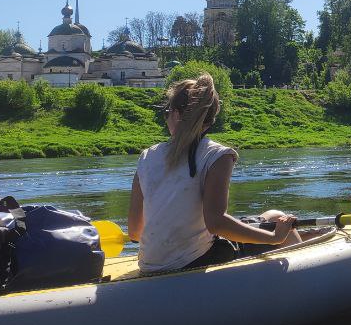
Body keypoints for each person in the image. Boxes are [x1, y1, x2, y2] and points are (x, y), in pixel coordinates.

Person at [127, 75, 299, 274]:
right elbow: (216, 223)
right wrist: (274, 238)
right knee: (281, 220)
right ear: (209, 122)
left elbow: (134, 231)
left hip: (149, 267)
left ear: (174, 114)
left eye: (166, 112)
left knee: (271, 217)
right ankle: (302, 282)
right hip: (194, 264)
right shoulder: (218, 155)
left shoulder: (146, 157)